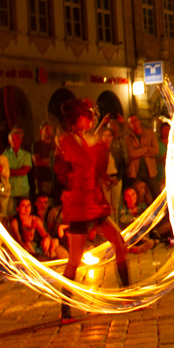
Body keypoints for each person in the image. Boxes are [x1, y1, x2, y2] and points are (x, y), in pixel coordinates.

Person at [56, 98, 131, 323]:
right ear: (76, 119)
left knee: (119, 243)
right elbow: (82, 158)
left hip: (93, 202)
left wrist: (101, 179)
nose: (90, 120)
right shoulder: (68, 141)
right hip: (80, 205)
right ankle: (65, 309)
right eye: (86, 117)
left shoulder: (78, 138)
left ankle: (128, 297)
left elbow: (90, 153)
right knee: (75, 260)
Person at [124, 114, 161, 199]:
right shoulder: (128, 138)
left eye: (135, 120)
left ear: (139, 121)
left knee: (157, 195)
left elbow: (155, 150)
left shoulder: (149, 133)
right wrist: (146, 149)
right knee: (137, 197)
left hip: (150, 172)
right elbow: (132, 154)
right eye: (131, 122)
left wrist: (139, 152)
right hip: (135, 173)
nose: (134, 123)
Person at [4, 126, 33, 217]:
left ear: (20, 140)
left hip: (23, 189)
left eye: (17, 139)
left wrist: (11, 171)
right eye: (12, 139)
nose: (14, 141)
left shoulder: (26, 155)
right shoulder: (4, 155)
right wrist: (17, 171)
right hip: (10, 191)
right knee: (10, 214)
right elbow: (4, 172)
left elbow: (24, 171)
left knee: (24, 214)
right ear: (9, 141)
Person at [32, 122, 57, 200]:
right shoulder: (36, 145)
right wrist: (52, 161)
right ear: (41, 131)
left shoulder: (55, 144)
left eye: (50, 130)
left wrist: (45, 161)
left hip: (55, 179)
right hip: (43, 180)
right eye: (46, 130)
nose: (49, 132)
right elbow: (37, 162)